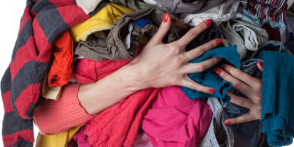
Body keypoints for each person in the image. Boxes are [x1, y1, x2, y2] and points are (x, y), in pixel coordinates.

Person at [34, 13, 264, 135]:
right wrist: (137, 75)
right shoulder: (80, 13)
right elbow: (45, 118)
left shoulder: (271, 16)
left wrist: (282, 103)